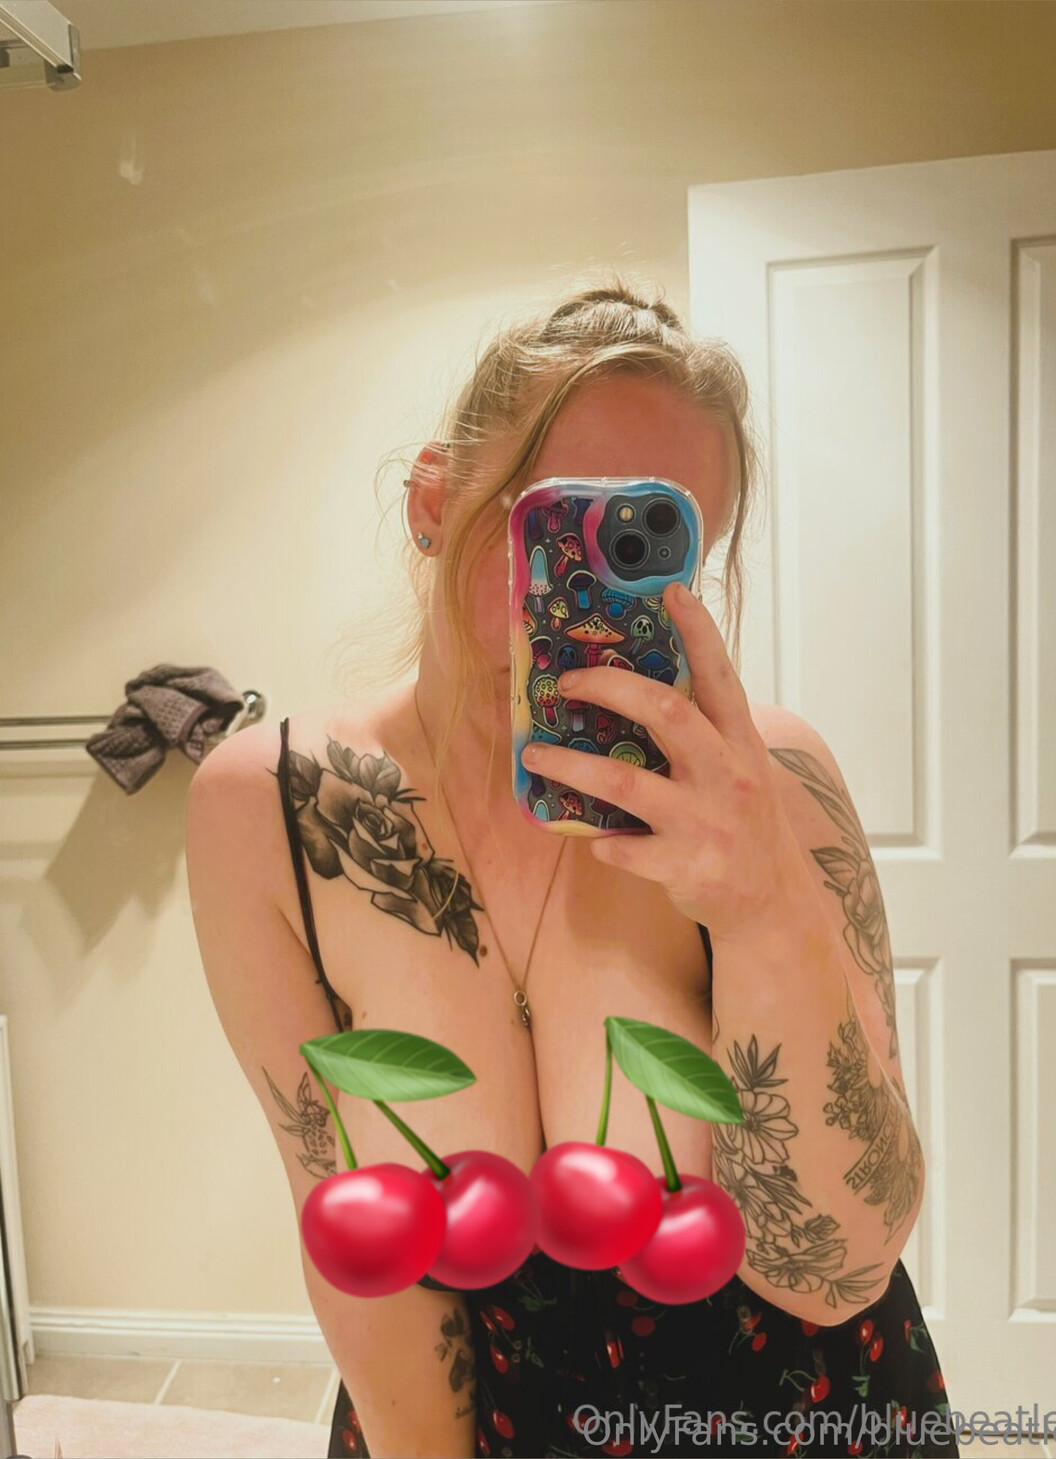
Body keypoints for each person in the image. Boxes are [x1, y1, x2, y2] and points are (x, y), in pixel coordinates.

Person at [185, 276, 959, 1459]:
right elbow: (350, 1237)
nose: (593, 580)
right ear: (433, 500)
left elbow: (839, 1262)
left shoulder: (771, 783)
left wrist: (764, 906)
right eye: (563, 517)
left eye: (650, 539)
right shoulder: (274, 810)